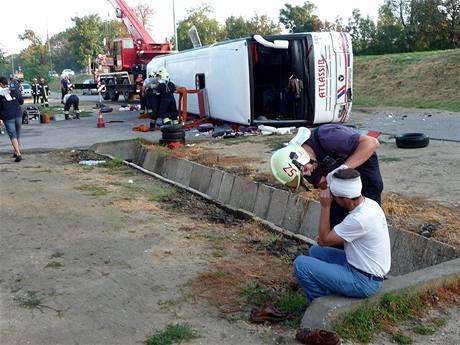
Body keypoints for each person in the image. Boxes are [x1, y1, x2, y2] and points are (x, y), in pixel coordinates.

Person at [293, 168, 391, 303]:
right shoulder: (370, 204)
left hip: (364, 282)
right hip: (363, 267)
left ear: (346, 199)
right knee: (315, 251)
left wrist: (325, 207)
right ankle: (330, 288)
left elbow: (323, 240)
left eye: (334, 197)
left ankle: (318, 304)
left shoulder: (358, 219)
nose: (331, 199)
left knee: (300, 264)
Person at [271, 125, 383, 228]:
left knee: (367, 207)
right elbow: (325, 185)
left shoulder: (326, 136)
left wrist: (343, 168)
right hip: (338, 176)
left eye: (304, 171)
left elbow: (372, 143)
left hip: (363, 161)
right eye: (303, 176)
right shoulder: (307, 170)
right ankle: (337, 246)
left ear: (298, 156)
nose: (307, 175)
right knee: (336, 214)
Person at [0, 76, 24, 162]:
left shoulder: (0, 93)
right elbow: (21, 101)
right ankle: (16, 151)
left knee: (12, 135)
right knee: (17, 134)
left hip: (8, 116)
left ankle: (18, 154)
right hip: (18, 114)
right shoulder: (13, 90)